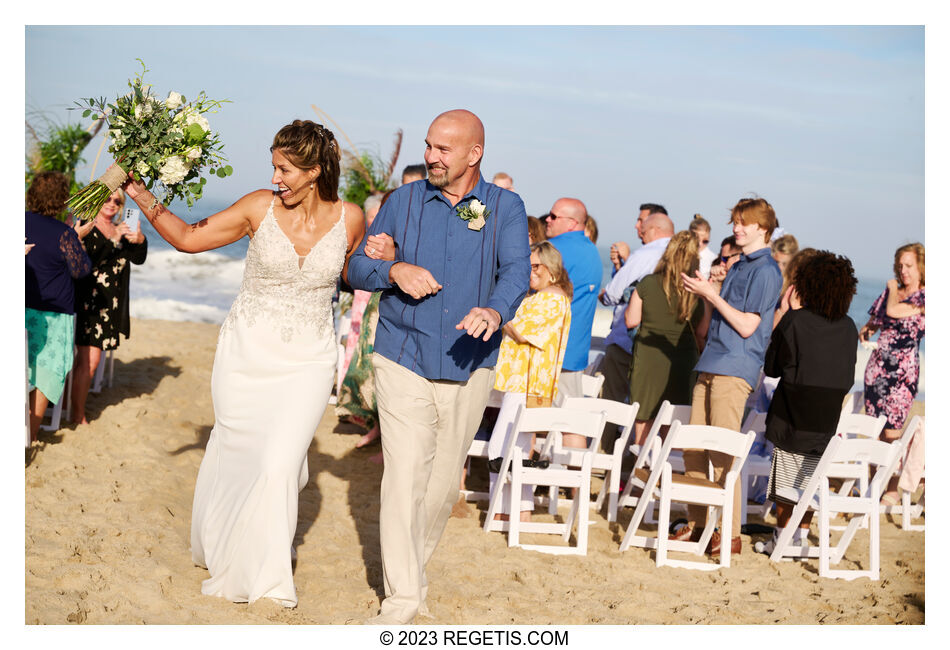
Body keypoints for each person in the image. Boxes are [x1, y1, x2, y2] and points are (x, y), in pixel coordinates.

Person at [121, 119, 365, 607]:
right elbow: (189, 238)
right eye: (273, 167)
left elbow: (353, 273)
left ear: (315, 171)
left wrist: (389, 261)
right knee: (239, 454)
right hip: (247, 351)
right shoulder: (259, 207)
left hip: (310, 359)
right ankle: (223, 541)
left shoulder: (352, 217)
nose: (276, 177)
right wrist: (140, 193)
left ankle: (268, 579)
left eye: (285, 169)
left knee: (278, 464)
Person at [346, 109, 529, 624]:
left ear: (475, 155)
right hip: (401, 352)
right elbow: (358, 267)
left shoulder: (505, 207)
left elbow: (517, 272)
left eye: (443, 149)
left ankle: (411, 576)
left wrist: (494, 310)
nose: (430, 156)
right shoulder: (401, 201)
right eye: (429, 145)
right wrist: (393, 268)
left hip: (469, 363)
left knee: (444, 486)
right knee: (404, 477)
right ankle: (403, 600)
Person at [677, 196, 783, 556]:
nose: (736, 227)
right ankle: (699, 525)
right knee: (693, 448)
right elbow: (717, 321)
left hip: (735, 366)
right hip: (711, 360)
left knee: (723, 453)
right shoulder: (738, 264)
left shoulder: (766, 271)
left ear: (763, 228)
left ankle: (729, 533)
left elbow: (747, 324)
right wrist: (711, 293)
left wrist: (713, 293)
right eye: (735, 221)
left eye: (744, 222)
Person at [754, 252, 858, 554]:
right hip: (826, 418)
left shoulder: (795, 321)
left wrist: (786, 311)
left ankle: (782, 536)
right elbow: (847, 377)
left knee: (787, 480)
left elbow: (772, 368)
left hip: (791, 414)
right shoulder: (849, 327)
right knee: (809, 479)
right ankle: (799, 534)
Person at [488, 241, 572, 521]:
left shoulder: (553, 298)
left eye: (534, 266)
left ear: (550, 268)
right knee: (516, 450)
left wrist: (496, 307)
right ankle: (517, 511)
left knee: (502, 448)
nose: (529, 271)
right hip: (520, 382)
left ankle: (504, 512)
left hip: (528, 383)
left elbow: (522, 333)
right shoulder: (540, 296)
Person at [69, 189, 148, 424]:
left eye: (117, 200)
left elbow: (138, 258)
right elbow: (87, 263)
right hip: (89, 303)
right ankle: (77, 415)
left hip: (111, 305)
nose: (112, 204)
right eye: (107, 198)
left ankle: (74, 408)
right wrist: (112, 241)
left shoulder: (122, 229)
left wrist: (140, 240)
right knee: (89, 363)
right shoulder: (85, 227)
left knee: (87, 362)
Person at [25, 171, 92, 442]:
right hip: (53, 314)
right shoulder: (65, 233)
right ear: (62, 199)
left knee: (22, 369)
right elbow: (81, 270)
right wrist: (77, 237)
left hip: (21, 306)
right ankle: (31, 432)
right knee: (45, 374)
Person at [598, 211, 673, 450]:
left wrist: (609, 287)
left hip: (628, 342)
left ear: (653, 230)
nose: (638, 231)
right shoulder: (687, 258)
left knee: (611, 401)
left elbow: (612, 294)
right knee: (651, 407)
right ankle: (639, 462)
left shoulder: (646, 254)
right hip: (665, 349)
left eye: (643, 228)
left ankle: (606, 458)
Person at [624, 231, 705, 445]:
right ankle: (666, 474)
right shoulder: (696, 291)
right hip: (683, 361)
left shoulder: (649, 282)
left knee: (644, 420)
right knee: (674, 423)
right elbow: (702, 332)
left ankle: (640, 472)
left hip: (649, 358)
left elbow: (631, 321)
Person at [860, 242, 924, 504]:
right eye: (900, 265)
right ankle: (875, 483)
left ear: (921, 267)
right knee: (875, 429)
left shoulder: (923, 296)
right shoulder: (892, 293)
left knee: (892, 431)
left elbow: (894, 311)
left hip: (903, 373)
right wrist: (865, 332)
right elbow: (875, 320)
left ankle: (893, 488)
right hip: (877, 369)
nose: (903, 270)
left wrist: (891, 287)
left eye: (908, 265)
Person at [544, 197, 601, 405]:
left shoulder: (551, 250)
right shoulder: (592, 252)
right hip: (575, 350)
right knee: (569, 421)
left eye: (553, 216)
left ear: (572, 223)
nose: (547, 220)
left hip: (549, 350)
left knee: (536, 421)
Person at [608, 203, 667, 273]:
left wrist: (627, 259)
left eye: (641, 221)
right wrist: (618, 265)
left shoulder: (665, 254)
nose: (636, 225)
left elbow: (643, 281)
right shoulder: (645, 252)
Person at [689, 215, 717, 279]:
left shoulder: (713, 258)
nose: (700, 244)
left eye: (705, 241)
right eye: (696, 239)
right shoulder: (681, 255)